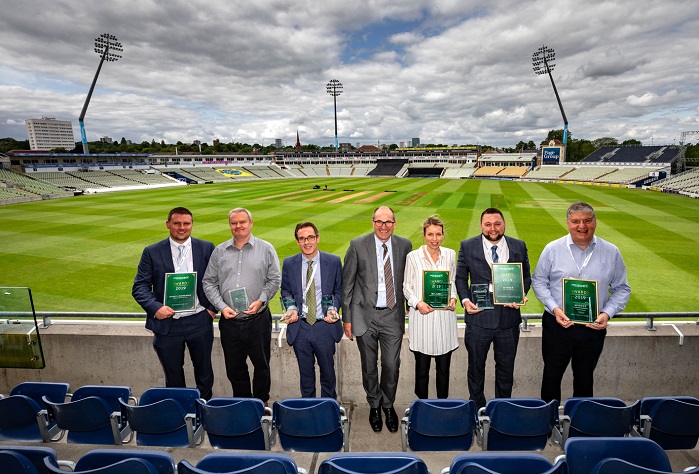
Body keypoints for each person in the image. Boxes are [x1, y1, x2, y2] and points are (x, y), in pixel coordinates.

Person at [532, 201, 630, 403]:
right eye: (576, 221)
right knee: (551, 377)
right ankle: (548, 425)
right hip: (557, 325)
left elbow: (621, 289)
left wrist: (606, 313)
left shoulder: (612, 252)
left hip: (592, 328)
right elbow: (539, 282)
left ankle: (580, 426)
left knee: (585, 380)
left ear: (595, 222)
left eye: (587, 220)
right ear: (567, 223)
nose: (581, 226)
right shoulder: (552, 249)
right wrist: (555, 308)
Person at [132, 207, 216, 400]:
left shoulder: (206, 247)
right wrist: (156, 308)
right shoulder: (152, 251)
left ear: (192, 225)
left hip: (199, 320)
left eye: (186, 223)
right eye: (177, 223)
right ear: (168, 224)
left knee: (204, 372)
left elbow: (217, 280)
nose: (182, 228)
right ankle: (181, 413)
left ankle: (204, 409)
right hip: (167, 323)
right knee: (173, 375)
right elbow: (140, 286)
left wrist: (211, 310)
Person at [342, 205, 412, 433]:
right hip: (365, 316)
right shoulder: (357, 245)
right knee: (369, 366)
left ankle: (388, 404)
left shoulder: (404, 245)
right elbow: (348, 285)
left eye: (388, 222)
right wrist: (347, 318)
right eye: (379, 222)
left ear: (394, 223)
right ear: (373, 222)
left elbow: (409, 280)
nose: (384, 226)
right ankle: (374, 405)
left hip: (393, 314)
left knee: (392, 365)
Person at [202, 207, 280, 403]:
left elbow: (274, 280)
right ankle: (243, 404)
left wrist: (261, 300)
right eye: (234, 223)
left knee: (262, 366)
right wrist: (221, 306)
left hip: (258, 319)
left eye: (242, 222)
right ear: (230, 225)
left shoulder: (266, 248)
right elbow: (208, 282)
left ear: (250, 223)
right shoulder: (219, 251)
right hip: (229, 321)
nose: (238, 226)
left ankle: (262, 403)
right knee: (234, 368)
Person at [455, 207, 531, 409]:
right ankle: (477, 408)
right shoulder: (468, 246)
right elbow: (461, 277)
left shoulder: (519, 246)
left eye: (497, 223)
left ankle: (501, 407)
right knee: (475, 369)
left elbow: (525, 277)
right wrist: (464, 300)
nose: (493, 228)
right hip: (478, 319)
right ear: (481, 225)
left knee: (506, 370)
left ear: (504, 224)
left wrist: (521, 294)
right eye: (488, 224)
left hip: (508, 320)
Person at [280, 222, 343, 398]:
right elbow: (285, 290)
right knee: (306, 377)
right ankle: (309, 413)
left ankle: (328, 412)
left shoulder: (333, 261)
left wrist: (332, 308)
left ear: (317, 238)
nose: (307, 242)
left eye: (310, 237)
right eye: (302, 239)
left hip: (325, 326)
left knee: (328, 376)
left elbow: (340, 290)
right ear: (297, 241)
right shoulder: (289, 263)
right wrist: (291, 307)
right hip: (301, 327)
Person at [403, 215, 458, 399]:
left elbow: (452, 282)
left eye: (438, 234)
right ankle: (423, 407)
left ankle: (442, 406)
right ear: (424, 235)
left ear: (443, 235)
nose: (435, 239)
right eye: (430, 234)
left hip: (444, 321)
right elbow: (406, 287)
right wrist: (417, 303)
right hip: (422, 321)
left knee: (444, 371)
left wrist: (452, 298)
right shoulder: (413, 257)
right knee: (422, 372)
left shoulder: (450, 254)